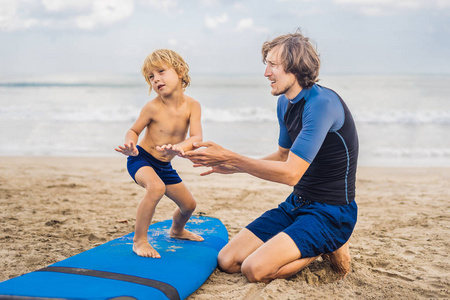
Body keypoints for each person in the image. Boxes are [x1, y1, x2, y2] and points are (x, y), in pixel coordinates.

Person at [184, 31, 359, 283]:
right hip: (296, 204)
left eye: (273, 65)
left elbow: (291, 173)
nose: (266, 72)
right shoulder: (285, 103)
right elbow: (282, 156)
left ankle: (327, 244)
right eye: (266, 63)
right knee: (228, 260)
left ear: (296, 67)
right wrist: (231, 166)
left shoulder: (321, 104)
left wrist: (234, 158)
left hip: (332, 212)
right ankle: (315, 241)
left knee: (254, 269)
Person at [115, 49, 203, 258]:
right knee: (156, 188)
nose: (156, 79)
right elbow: (134, 130)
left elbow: (196, 137)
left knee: (189, 205)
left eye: (161, 72)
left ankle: (177, 230)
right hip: (141, 159)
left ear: (180, 71)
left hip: (165, 166)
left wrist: (181, 147)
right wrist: (130, 144)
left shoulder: (193, 105)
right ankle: (139, 241)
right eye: (151, 77)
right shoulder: (152, 107)